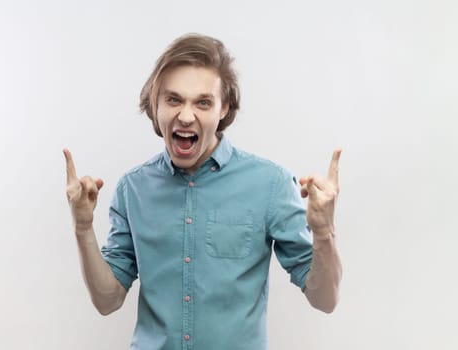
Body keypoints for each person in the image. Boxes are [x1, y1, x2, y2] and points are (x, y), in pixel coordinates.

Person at [63, 33, 342, 350]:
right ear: (156, 105)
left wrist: (324, 231)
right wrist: (83, 227)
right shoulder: (132, 189)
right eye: (173, 99)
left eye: (203, 102)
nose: (185, 115)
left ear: (224, 109)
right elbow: (107, 301)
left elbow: (325, 299)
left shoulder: (271, 184)